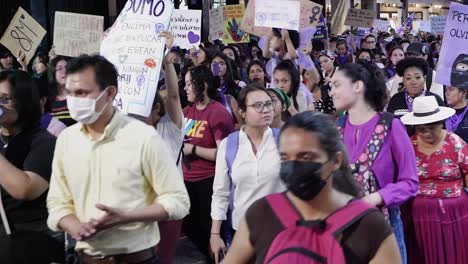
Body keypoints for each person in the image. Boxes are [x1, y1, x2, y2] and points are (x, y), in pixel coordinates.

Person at [46, 55, 190, 264]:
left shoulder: (143, 136)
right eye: (70, 92)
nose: (74, 100)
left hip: (137, 258)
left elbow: (178, 201)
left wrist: (129, 216)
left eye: (82, 93)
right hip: (86, 258)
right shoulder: (66, 140)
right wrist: (75, 226)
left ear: (110, 93)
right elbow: (57, 203)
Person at [222, 111, 402, 264]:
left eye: (306, 157)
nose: (293, 166)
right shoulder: (260, 214)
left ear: (336, 161)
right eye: (285, 158)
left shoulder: (369, 225)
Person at [330, 62, 419, 264]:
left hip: (383, 225)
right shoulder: (337, 128)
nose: (332, 91)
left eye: (337, 85)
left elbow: (410, 182)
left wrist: (375, 198)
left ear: (357, 86)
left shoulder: (391, 125)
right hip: (345, 226)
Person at [210, 84, 286, 263]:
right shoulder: (229, 144)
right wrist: (215, 233)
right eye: (258, 105)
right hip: (242, 232)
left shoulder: (284, 139)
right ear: (242, 112)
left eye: (268, 104)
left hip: (280, 231)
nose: (266, 110)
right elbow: (220, 193)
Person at [0, 70, 63, 263]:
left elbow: (25, 188)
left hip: (33, 245)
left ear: (24, 101)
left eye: (5, 98)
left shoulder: (43, 142)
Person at [400, 96, 468, 264]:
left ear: (441, 123)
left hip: (453, 214)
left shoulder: (455, 143)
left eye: (432, 128)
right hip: (419, 216)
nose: (427, 133)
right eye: (422, 129)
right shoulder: (409, 145)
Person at [182, 65, 235, 259]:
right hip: (187, 180)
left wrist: (194, 150)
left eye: (189, 84)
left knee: (211, 232)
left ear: (202, 85)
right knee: (188, 224)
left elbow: (224, 155)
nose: (185, 88)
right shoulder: (187, 111)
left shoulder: (218, 112)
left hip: (209, 181)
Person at [48, 55, 76, 127]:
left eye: (67, 68)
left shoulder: (78, 96)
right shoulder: (48, 102)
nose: (64, 71)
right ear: (53, 73)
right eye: (60, 68)